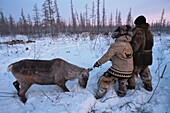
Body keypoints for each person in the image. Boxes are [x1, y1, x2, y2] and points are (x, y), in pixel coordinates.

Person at [93, 25, 134, 99]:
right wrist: (113, 59)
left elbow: (107, 56)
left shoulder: (116, 45)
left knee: (105, 78)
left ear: (117, 34)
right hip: (129, 70)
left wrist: (98, 63)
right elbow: (123, 56)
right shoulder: (129, 44)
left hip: (119, 69)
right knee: (123, 78)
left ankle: (101, 90)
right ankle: (122, 90)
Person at [127, 15, 154, 91]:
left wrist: (130, 51)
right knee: (145, 70)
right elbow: (152, 43)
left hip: (139, 56)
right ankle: (148, 85)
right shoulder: (149, 31)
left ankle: (131, 85)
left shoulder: (138, 32)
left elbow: (135, 46)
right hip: (148, 55)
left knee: (134, 71)